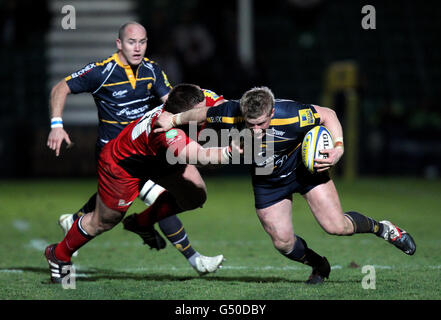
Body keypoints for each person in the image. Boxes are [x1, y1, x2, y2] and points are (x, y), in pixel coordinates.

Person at [154, 86, 417, 284]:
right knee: (282, 242)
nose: (255, 130)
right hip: (267, 179)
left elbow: (329, 115)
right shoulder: (231, 111)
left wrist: (338, 148)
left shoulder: (293, 114)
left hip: (303, 169)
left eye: (261, 124)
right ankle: (319, 265)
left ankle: (384, 229)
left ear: (272, 112)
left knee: (336, 227)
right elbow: (203, 112)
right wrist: (174, 120)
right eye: (250, 123)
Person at [46, 22, 224, 274]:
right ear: (119, 43)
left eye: (143, 42)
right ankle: (194, 259)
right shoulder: (102, 72)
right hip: (121, 157)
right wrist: (56, 124)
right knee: (110, 217)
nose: (138, 48)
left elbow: (173, 104)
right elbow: (60, 87)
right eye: (132, 42)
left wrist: (202, 116)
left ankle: (79, 221)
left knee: (194, 192)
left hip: (153, 145)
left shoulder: (152, 70)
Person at [44, 84, 235, 284]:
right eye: (201, 112)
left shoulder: (199, 98)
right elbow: (199, 156)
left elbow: (224, 108)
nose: (207, 113)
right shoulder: (166, 130)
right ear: (183, 114)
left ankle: (141, 223)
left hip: (157, 158)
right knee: (104, 221)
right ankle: (58, 254)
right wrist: (233, 151)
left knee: (195, 195)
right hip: (124, 166)